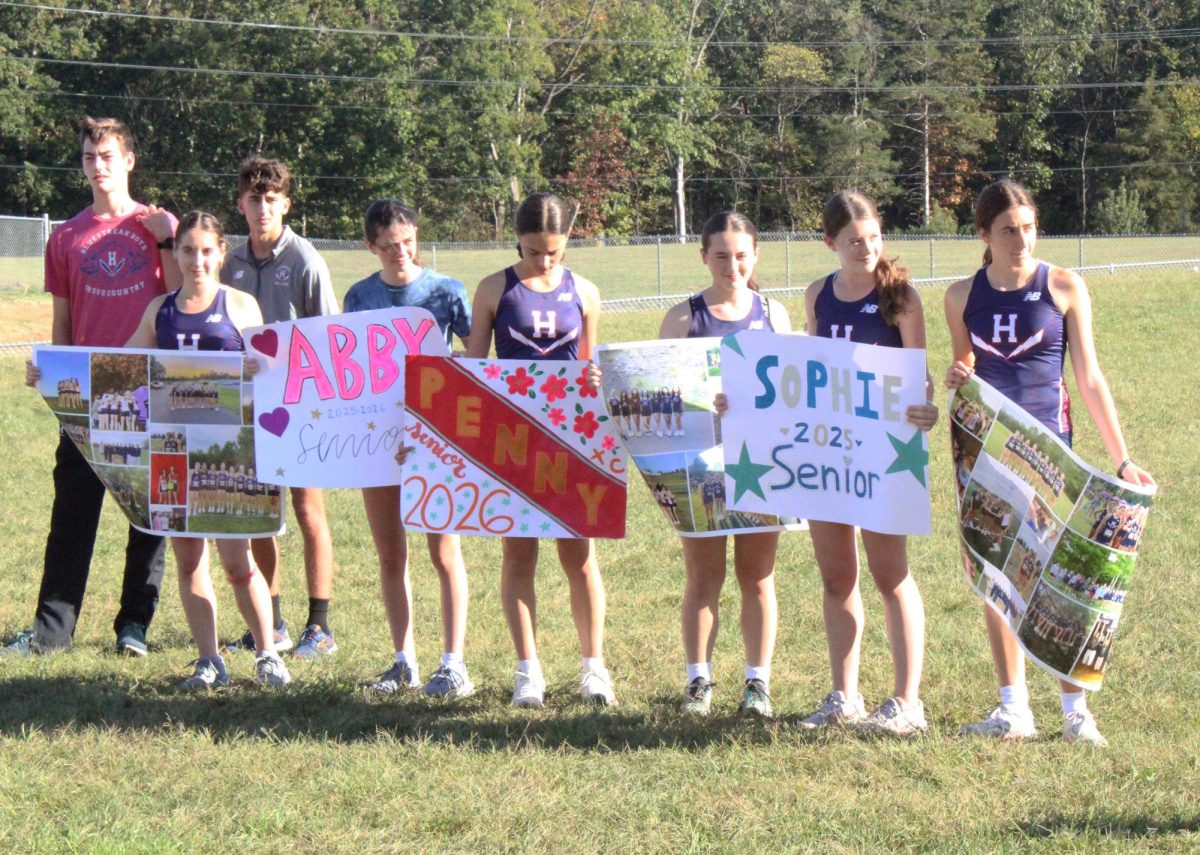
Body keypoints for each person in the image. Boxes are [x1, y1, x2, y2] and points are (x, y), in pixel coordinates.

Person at [945, 178, 1156, 746]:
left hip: (1052, 456)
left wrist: (1123, 459)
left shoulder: (1062, 285)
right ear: (985, 234)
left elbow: (1088, 378)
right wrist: (957, 374)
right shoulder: (961, 296)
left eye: (1029, 227)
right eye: (1008, 230)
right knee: (996, 574)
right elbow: (965, 365)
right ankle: (1013, 707)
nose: (1021, 240)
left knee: (1063, 583)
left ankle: (1074, 713)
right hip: (987, 455)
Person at [7, 117, 179, 659]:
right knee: (71, 520)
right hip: (85, 393)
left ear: (129, 160)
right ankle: (51, 634)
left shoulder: (158, 226)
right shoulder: (65, 236)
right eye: (89, 156)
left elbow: (181, 299)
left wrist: (168, 240)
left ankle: (134, 627)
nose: (98, 165)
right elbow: (62, 321)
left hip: (147, 388)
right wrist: (52, 374)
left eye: (107, 155)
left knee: (150, 515)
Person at [125, 211, 290, 689]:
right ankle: (208, 659)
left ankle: (267, 653)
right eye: (186, 250)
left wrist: (254, 373)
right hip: (173, 452)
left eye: (205, 251)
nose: (196, 260)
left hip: (231, 452)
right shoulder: (159, 310)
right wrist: (49, 373)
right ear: (175, 254)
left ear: (221, 253)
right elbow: (125, 365)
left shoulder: (240, 306)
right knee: (189, 560)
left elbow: (269, 372)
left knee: (238, 562)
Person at [795, 191, 938, 737]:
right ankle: (845, 696)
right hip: (826, 451)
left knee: (890, 574)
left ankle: (906, 702)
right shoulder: (817, 295)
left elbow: (917, 376)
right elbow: (803, 373)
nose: (866, 248)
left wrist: (923, 406)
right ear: (830, 242)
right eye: (854, 240)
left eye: (874, 237)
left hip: (883, 454)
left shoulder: (900, 297)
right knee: (837, 577)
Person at [465, 191, 615, 708]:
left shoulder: (586, 292)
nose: (544, 261)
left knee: (580, 558)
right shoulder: (492, 289)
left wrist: (594, 376)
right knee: (518, 556)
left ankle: (594, 668)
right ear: (517, 240)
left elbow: (591, 369)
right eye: (533, 251)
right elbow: (472, 371)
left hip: (571, 439)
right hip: (512, 440)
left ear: (567, 241)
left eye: (554, 251)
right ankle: (528, 670)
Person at [658, 210, 792, 717]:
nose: (731, 266)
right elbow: (659, 392)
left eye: (740, 255)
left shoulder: (773, 314)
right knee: (703, 577)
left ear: (755, 255)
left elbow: (790, 390)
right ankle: (699, 681)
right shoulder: (682, 316)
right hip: (697, 464)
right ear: (703, 257)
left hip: (760, 462)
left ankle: (758, 683)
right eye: (720, 256)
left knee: (758, 577)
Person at [342, 199, 476, 698]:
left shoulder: (446, 292)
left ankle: (453, 663)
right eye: (389, 245)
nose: (401, 252)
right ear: (370, 247)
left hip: (435, 441)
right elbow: (348, 371)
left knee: (444, 552)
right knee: (388, 555)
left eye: (408, 241)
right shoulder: (359, 297)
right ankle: (403, 662)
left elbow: (476, 359)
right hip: (377, 440)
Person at [220, 156, 339, 657]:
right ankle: (272, 621)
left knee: (308, 509)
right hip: (248, 406)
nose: (262, 207)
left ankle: (320, 625)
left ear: (286, 204)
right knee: (258, 515)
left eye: (272, 199)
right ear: (241, 203)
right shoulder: (230, 262)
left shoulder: (306, 260)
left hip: (299, 405)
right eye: (254, 199)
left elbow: (330, 337)